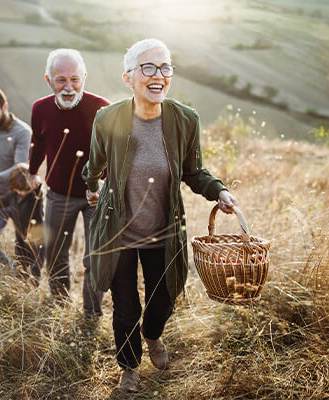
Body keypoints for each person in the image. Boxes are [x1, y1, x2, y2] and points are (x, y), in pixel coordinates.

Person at [82, 39, 239, 392]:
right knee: (125, 308)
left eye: (165, 67)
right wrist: (90, 184)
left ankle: (153, 335)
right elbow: (94, 164)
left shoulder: (185, 120)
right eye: (148, 67)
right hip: (117, 230)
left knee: (163, 299)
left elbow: (194, 171)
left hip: (163, 230)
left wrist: (220, 191)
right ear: (129, 78)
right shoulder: (108, 118)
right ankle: (129, 366)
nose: (158, 75)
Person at [27, 48, 109, 316]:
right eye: (61, 79)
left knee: (95, 257)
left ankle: (91, 314)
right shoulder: (40, 108)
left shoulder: (101, 108)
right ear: (48, 80)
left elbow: (113, 152)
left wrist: (103, 186)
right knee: (56, 254)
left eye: (75, 78)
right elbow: (38, 143)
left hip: (94, 195)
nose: (69, 86)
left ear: (84, 77)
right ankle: (60, 306)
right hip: (58, 194)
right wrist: (31, 171)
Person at [0, 87, 36, 274]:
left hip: (18, 197)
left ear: (5, 107)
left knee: (26, 249)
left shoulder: (23, 132)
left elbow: (19, 168)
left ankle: (26, 284)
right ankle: (10, 274)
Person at [0, 163, 45, 282]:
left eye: (26, 190)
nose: (22, 193)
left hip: (36, 240)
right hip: (20, 238)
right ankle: (21, 287)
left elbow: (39, 191)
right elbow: (0, 201)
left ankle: (32, 291)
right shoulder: (13, 195)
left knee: (34, 268)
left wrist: (37, 183)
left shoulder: (35, 197)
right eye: (19, 190)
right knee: (20, 265)